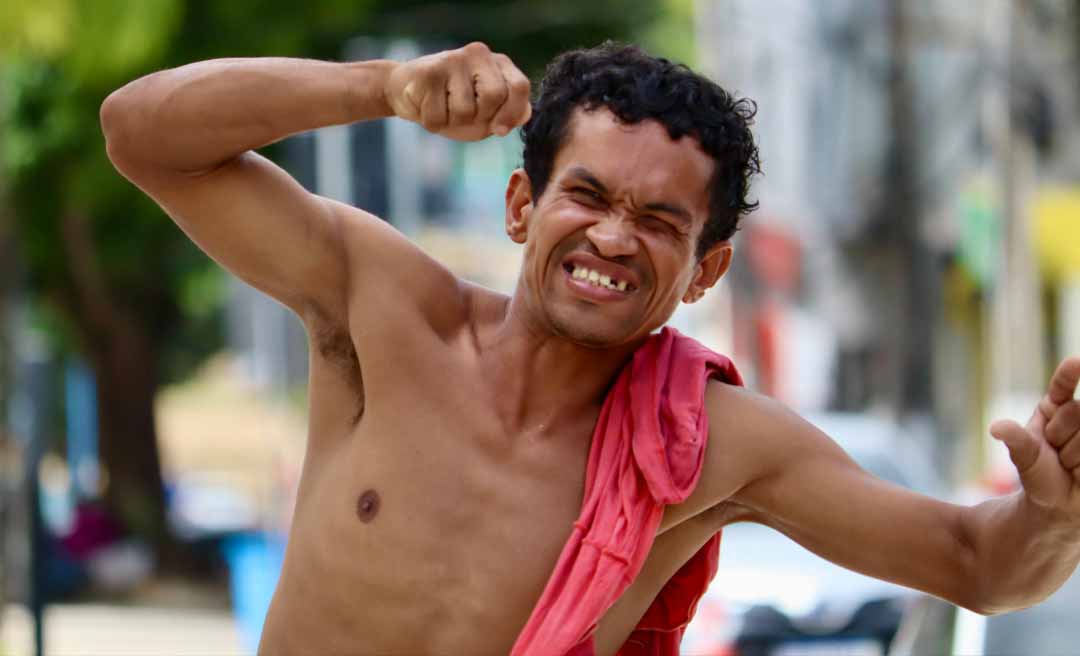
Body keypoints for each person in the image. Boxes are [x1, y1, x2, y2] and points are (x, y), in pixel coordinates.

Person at [100, 42, 1080, 655]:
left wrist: (1054, 516)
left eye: (660, 219)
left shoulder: (712, 444)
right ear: (523, 204)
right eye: (589, 195)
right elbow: (141, 135)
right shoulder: (386, 310)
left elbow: (975, 562)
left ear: (705, 268)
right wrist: (386, 88)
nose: (614, 237)